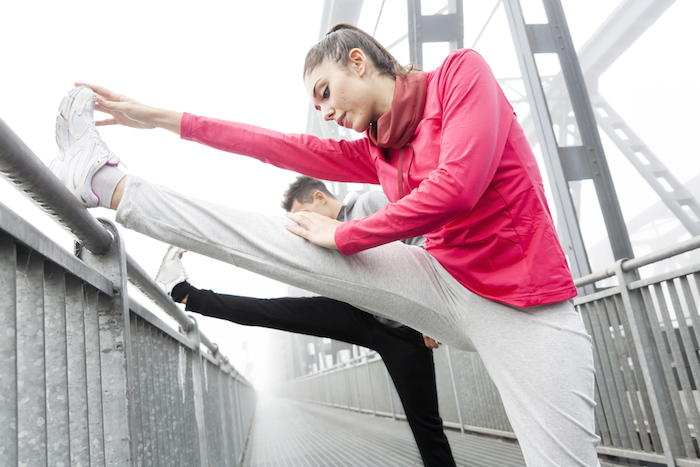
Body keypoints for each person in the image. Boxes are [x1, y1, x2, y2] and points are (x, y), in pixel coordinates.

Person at [50, 23, 600, 466]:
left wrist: (347, 234)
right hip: (447, 287)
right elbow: (274, 146)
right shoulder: (375, 152)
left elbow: (459, 186)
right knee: (297, 241)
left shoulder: (460, 74)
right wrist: (158, 118)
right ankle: (107, 182)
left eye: (325, 91)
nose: (325, 110)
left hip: (529, 307)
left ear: (357, 62)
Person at [153, 176, 455, 467]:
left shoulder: (370, 201)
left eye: (303, 213)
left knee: (426, 425)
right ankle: (185, 294)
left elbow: (423, 242)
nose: (302, 223)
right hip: (360, 312)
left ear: (320, 198)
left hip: (405, 328)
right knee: (275, 312)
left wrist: (426, 318)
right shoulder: (317, 235)